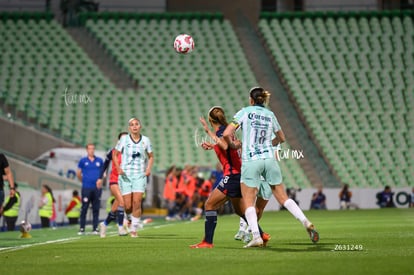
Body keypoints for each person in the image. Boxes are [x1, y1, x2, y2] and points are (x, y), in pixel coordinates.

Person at [223, 87, 319, 247]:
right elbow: (281, 138)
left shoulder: (244, 112)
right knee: (283, 197)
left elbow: (227, 133)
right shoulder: (270, 115)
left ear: (251, 100)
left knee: (248, 202)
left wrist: (233, 145)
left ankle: (256, 236)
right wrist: (268, 144)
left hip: (251, 160)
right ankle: (306, 221)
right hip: (269, 159)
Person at [190, 106, 270, 249]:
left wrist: (207, 131)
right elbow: (228, 148)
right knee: (240, 210)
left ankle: (207, 242)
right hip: (238, 174)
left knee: (209, 205)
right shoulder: (228, 132)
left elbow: (226, 147)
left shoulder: (221, 132)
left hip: (232, 175)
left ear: (210, 120)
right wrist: (212, 145)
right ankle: (262, 235)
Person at [112, 118, 154, 238]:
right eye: (131, 125)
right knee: (128, 205)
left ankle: (134, 229)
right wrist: (118, 168)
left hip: (139, 175)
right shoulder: (124, 139)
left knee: (137, 202)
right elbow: (115, 154)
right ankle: (129, 218)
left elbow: (151, 156)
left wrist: (148, 169)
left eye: (136, 124)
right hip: (125, 176)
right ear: (129, 128)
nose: (134, 126)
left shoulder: (146, 140)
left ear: (140, 126)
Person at [98, 132, 129, 238]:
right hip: (114, 180)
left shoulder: (130, 152)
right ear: (119, 141)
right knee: (122, 202)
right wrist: (101, 175)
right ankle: (120, 228)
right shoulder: (113, 151)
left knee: (115, 207)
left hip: (125, 181)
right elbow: (105, 163)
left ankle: (104, 224)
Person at [77, 143, 104, 235]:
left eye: (93, 148)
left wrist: (101, 180)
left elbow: (103, 173)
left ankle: (95, 228)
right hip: (86, 188)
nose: (91, 150)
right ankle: (82, 228)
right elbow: (78, 173)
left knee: (96, 208)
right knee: (84, 208)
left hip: (97, 188)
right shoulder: (83, 161)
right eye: (89, 149)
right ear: (87, 150)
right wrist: (84, 181)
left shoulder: (99, 160)